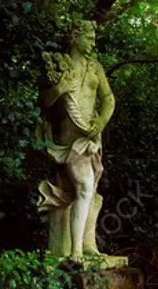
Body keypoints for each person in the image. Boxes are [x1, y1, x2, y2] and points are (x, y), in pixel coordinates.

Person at [38, 20, 115, 259]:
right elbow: (43, 103)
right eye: (89, 37)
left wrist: (100, 122)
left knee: (89, 190)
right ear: (75, 38)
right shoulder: (61, 67)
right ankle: (75, 252)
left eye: (94, 37)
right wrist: (59, 88)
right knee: (84, 187)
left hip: (91, 138)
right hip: (68, 140)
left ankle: (87, 246)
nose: (93, 42)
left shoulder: (96, 68)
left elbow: (109, 99)